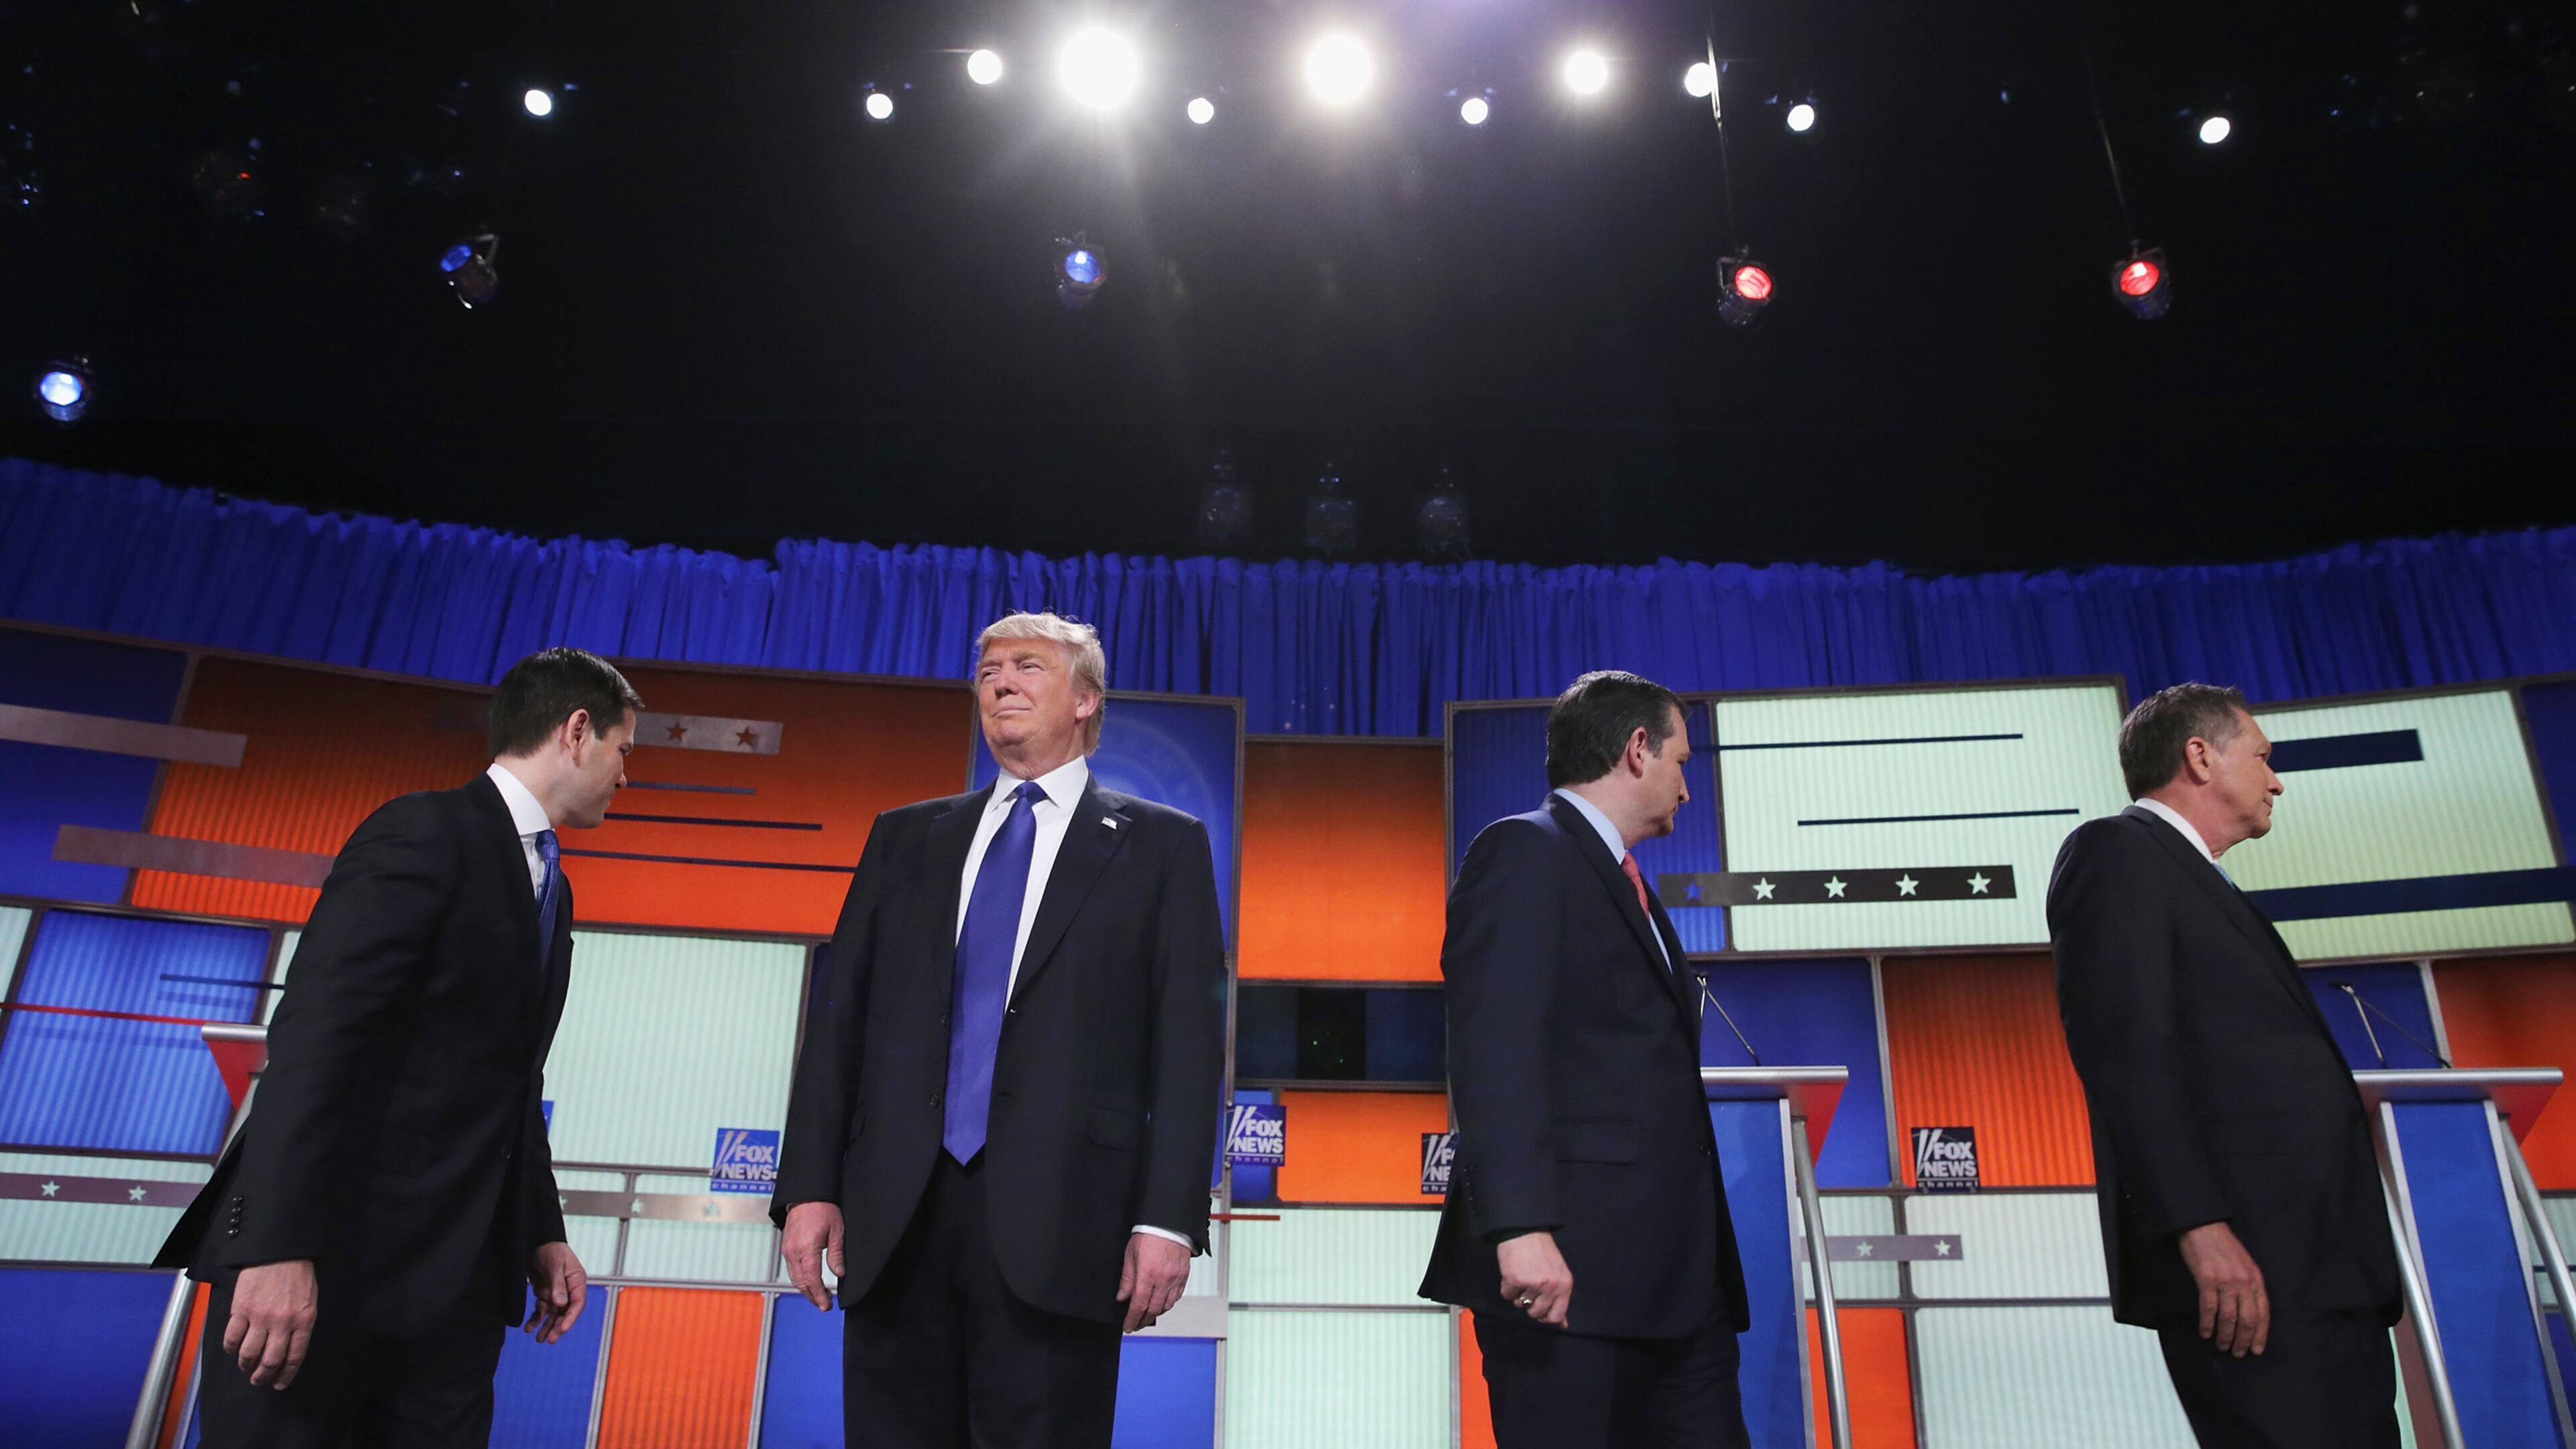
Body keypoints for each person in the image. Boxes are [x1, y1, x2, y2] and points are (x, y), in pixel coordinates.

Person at [156, 646, 641, 1446]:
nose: (627, 776)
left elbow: (511, 1081)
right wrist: (276, 1246)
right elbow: (316, 1037)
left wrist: (541, 1232)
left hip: (455, 1297)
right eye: (625, 750)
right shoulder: (423, 832)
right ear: (578, 731)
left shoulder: (557, 890)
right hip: (326, 1274)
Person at [772, 610, 1226, 1449]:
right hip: (897, 1216)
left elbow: (1190, 1050)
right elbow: (840, 1026)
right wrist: (808, 1186)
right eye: (988, 673)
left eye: (1027, 667)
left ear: (1087, 700)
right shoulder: (904, 837)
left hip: (1067, 1225)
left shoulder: (1164, 848)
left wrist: (1167, 1219)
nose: (1001, 683)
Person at [2049, 682, 2401, 1448]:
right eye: (2264, 757)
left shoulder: (2203, 880)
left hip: (2322, 1264)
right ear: (2200, 757)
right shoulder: (2116, 852)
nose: (2276, 780)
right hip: (2252, 1272)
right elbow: (2125, 1054)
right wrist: (2199, 1227)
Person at [1419, 669, 1751, 1448]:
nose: (1686, 788)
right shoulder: (1524, 851)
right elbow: (1494, 1049)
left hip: (1679, 1291)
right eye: (1681, 762)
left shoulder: (1628, 882)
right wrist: (1521, 1227)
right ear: (1638, 750)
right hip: (1568, 1282)